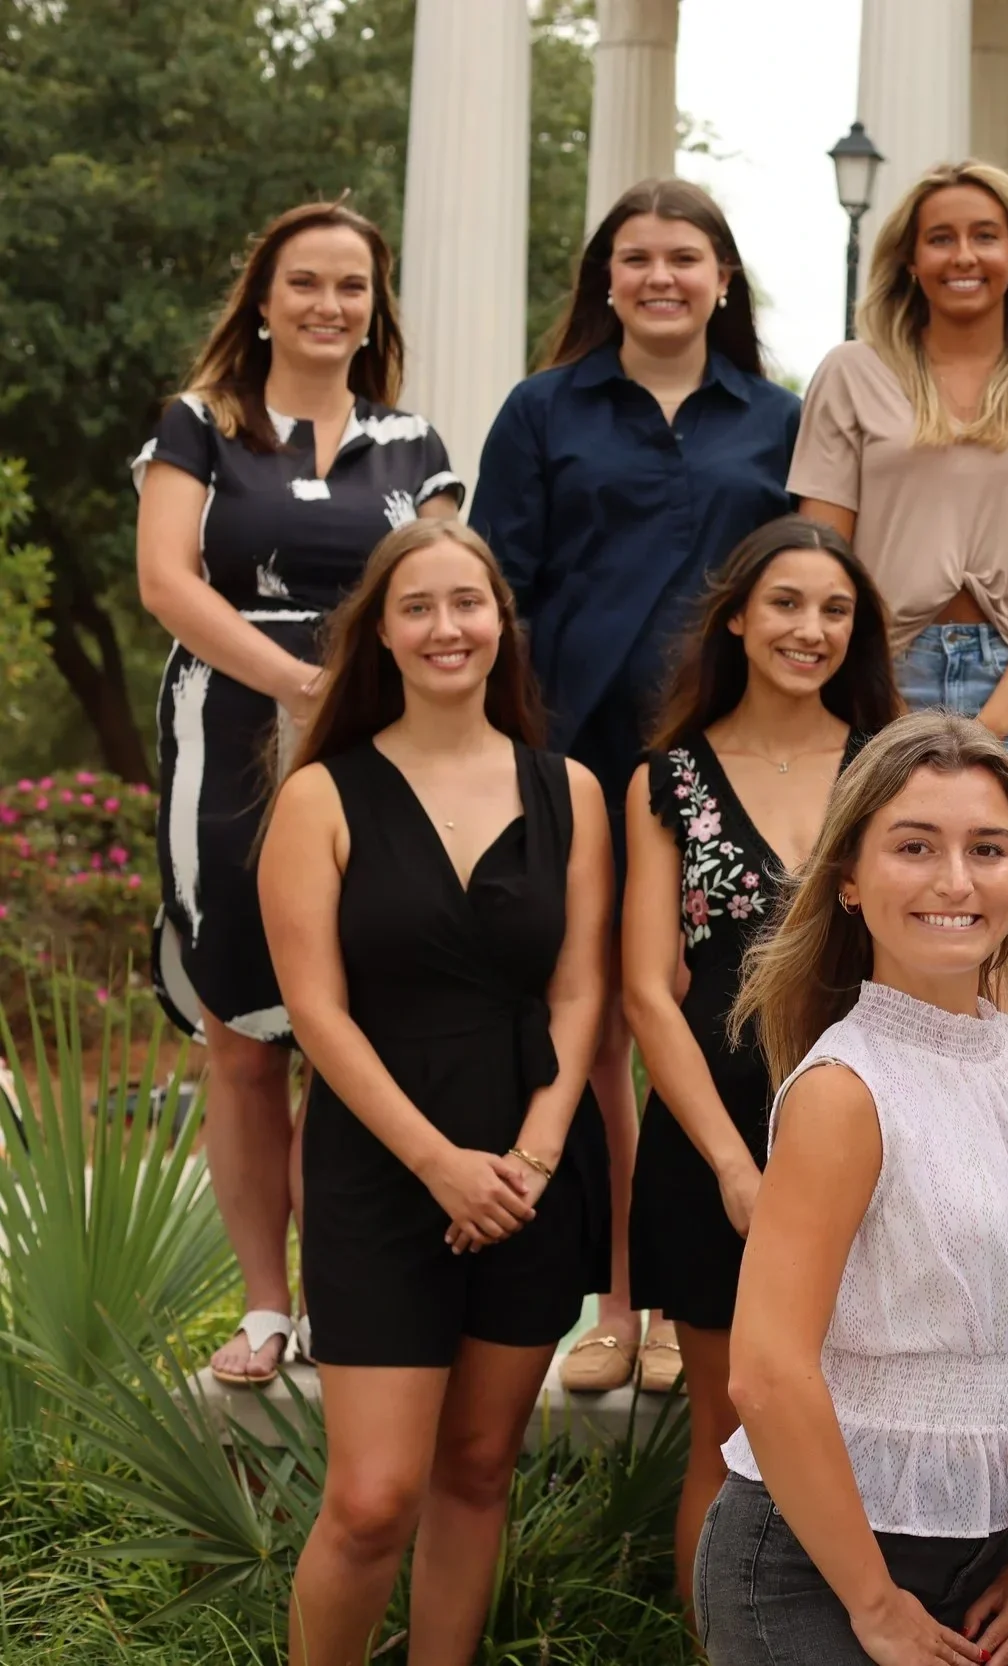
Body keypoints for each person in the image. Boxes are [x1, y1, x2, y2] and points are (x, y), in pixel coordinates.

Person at [259, 520, 609, 1664]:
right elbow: (316, 1015)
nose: (447, 626)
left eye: (469, 602)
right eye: (419, 606)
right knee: (369, 1499)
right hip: (380, 1165)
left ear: (501, 623)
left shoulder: (571, 792)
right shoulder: (320, 794)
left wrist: (535, 1160)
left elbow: (578, 995)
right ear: (383, 633)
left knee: (474, 1468)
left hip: (528, 1167)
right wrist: (439, 1165)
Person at [472, 178, 801, 1391]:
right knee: (604, 1015)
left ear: (723, 278)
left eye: (686, 257)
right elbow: (500, 588)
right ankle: (614, 1301)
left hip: (723, 767)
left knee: (697, 1011)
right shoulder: (542, 409)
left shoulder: (777, 417)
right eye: (637, 258)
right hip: (577, 752)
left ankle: (676, 1303)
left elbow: (808, 582)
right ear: (603, 280)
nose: (661, 277)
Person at [694, 712, 1008, 1664]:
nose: (955, 881)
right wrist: (873, 1604)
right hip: (814, 1569)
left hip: (992, 1563)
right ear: (849, 879)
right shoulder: (845, 1092)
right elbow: (765, 1370)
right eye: (914, 847)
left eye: (988, 849)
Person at [132, 199, 462, 1388]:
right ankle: (263, 1308)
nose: (330, 306)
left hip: (372, 744)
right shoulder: (198, 428)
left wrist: (366, 704)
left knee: (353, 1022)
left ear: (376, 307)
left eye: (353, 288)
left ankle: (339, 1300)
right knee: (243, 1035)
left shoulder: (414, 444)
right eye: (306, 283)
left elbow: (443, 588)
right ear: (262, 299)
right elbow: (166, 582)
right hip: (227, 735)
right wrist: (293, 681)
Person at [617, 515, 901, 1605]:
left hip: (879, 1129)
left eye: (835, 610)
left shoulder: (889, 763)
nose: (810, 628)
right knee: (728, 1441)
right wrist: (736, 1168)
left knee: (869, 1432)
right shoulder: (667, 780)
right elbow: (649, 991)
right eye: (786, 603)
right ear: (736, 616)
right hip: (713, 1144)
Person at [791, 159, 1008, 780]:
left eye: (985, 236)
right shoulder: (851, 373)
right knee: (867, 871)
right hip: (875, 671)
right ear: (911, 262)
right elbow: (823, 556)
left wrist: (993, 725)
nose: (964, 255)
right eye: (941, 239)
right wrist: (887, 701)